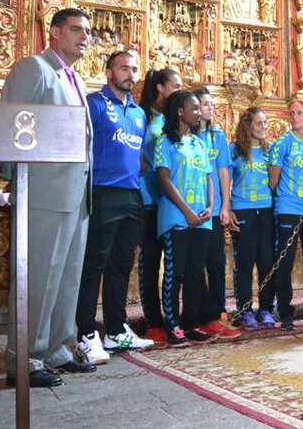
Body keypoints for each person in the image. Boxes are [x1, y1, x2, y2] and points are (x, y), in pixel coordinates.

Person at [1, 7, 95, 387]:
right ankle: (25, 357)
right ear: (54, 32)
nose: (85, 37)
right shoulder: (35, 69)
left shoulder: (74, 78)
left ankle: (58, 348)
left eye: (88, 31)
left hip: (75, 194)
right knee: (38, 276)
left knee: (67, 276)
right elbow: (12, 126)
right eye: (76, 30)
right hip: (43, 192)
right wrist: (16, 182)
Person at [75, 51, 153, 366]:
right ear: (109, 72)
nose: (130, 74)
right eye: (123, 68)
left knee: (121, 264)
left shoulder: (139, 113)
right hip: (103, 191)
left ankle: (117, 329)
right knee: (94, 263)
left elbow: (141, 156)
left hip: (132, 193)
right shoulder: (94, 104)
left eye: (134, 69)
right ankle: (85, 333)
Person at [155, 90, 214, 346]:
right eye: (194, 108)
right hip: (177, 217)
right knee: (175, 273)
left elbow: (208, 177)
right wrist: (187, 211)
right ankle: (173, 324)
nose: (199, 113)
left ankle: (191, 323)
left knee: (195, 274)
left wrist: (210, 206)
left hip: (202, 218)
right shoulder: (165, 142)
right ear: (180, 111)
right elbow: (164, 179)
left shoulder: (199, 143)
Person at [269, 98, 303, 331]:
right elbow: (273, 180)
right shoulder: (282, 142)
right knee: (285, 261)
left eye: (300, 112)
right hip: (288, 208)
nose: (295, 117)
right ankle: (285, 311)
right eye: (291, 113)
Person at [138, 68, 183, 346]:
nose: (180, 90)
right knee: (150, 260)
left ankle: (175, 317)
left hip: (174, 201)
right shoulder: (143, 116)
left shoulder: (175, 120)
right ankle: (153, 321)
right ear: (160, 88)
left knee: (176, 264)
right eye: (176, 85)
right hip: (148, 197)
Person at [193, 88, 240, 340]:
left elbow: (224, 172)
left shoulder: (217, 136)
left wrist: (225, 206)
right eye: (205, 103)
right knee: (196, 263)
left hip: (215, 208)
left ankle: (218, 312)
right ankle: (201, 314)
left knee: (216, 263)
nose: (210, 107)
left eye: (211, 103)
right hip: (194, 207)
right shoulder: (189, 135)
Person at [228, 107, 277, 330]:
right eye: (259, 123)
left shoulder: (271, 150)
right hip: (243, 209)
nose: (263, 127)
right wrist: (228, 208)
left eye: (265, 122)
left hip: (266, 209)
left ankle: (266, 308)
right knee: (245, 263)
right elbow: (225, 180)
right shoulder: (234, 151)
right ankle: (245, 310)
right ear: (247, 125)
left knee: (267, 262)